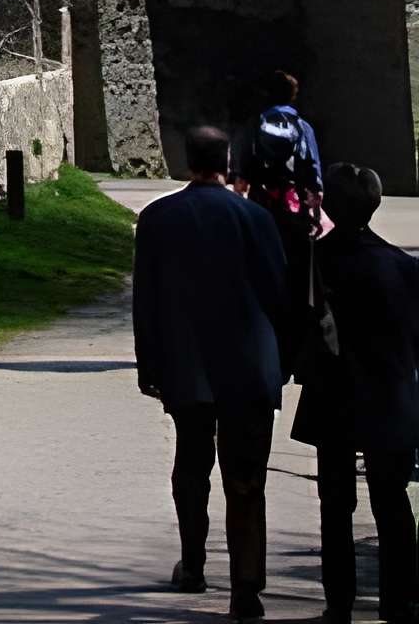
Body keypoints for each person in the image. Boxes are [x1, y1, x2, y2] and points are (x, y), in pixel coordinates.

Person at [137, 123, 293, 616]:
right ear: (227, 162)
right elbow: (278, 296)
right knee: (246, 477)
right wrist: (283, 361)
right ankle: (246, 587)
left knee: (192, 465)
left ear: (187, 161)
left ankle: (193, 563)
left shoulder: (158, 218)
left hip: (189, 365)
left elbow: (147, 301)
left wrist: (151, 365)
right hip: (248, 365)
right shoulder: (255, 219)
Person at [294, 163, 419, 622]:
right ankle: (401, 598)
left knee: (335, 505)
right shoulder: (404, 267)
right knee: (392, 501)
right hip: (391, 396)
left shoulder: (315, 260)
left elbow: (299, 325)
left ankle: (339, 600)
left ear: (328, 205)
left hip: (334, 397)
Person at [245, 72, 330, 319]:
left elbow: (246, 162)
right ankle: (298, 311)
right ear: (293, 96)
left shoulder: (256, 124)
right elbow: (312, 165)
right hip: (293, 204)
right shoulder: (302, 127)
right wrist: (315, 198)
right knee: (297, 260)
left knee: (261, 253)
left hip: (262, 199)